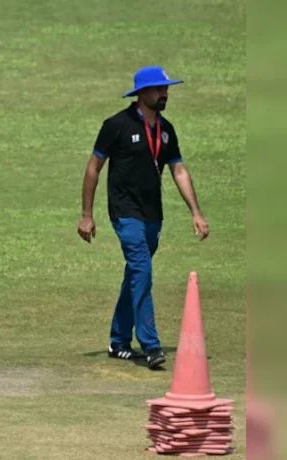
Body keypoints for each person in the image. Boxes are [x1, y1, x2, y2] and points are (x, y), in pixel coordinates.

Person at [78, 66, 210, 370]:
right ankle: (150, 346)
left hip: (153, 215)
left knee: (136, 275)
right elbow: (93, 169)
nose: (164, 94)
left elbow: (178, 170)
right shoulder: (116, 125)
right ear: (141, 93)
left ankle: (119, 341)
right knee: (142, 269)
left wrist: (196, 212)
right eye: (157, 89)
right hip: (125, 213)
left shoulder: (167, 130)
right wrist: (86, 214)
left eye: (166, 89)